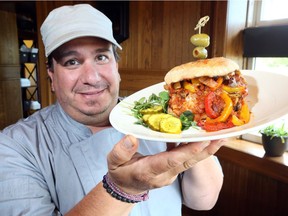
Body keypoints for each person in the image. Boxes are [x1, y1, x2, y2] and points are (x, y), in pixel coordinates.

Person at [0, 4, 224, 216]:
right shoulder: (16, 146)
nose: (91, 77)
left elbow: (203, 201)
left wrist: (193, 132)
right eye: (71, 62)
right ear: (51, 77)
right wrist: (122, 189)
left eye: (101, 57)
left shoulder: (163, 115)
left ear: (116, 66)